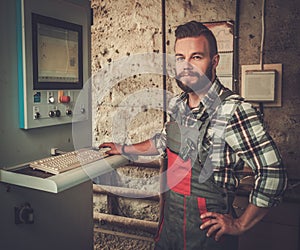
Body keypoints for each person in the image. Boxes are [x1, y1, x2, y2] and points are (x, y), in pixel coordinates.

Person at [99, 21, 287, 250]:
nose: (186, 66)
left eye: (196, 57)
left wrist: (240, 224)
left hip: (207, 238)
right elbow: (164, 141)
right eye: (180, 58)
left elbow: (273, 172)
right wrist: (124, 149)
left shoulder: (232, 111)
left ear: (214, 61)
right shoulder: (179, 104)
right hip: (171, 227)